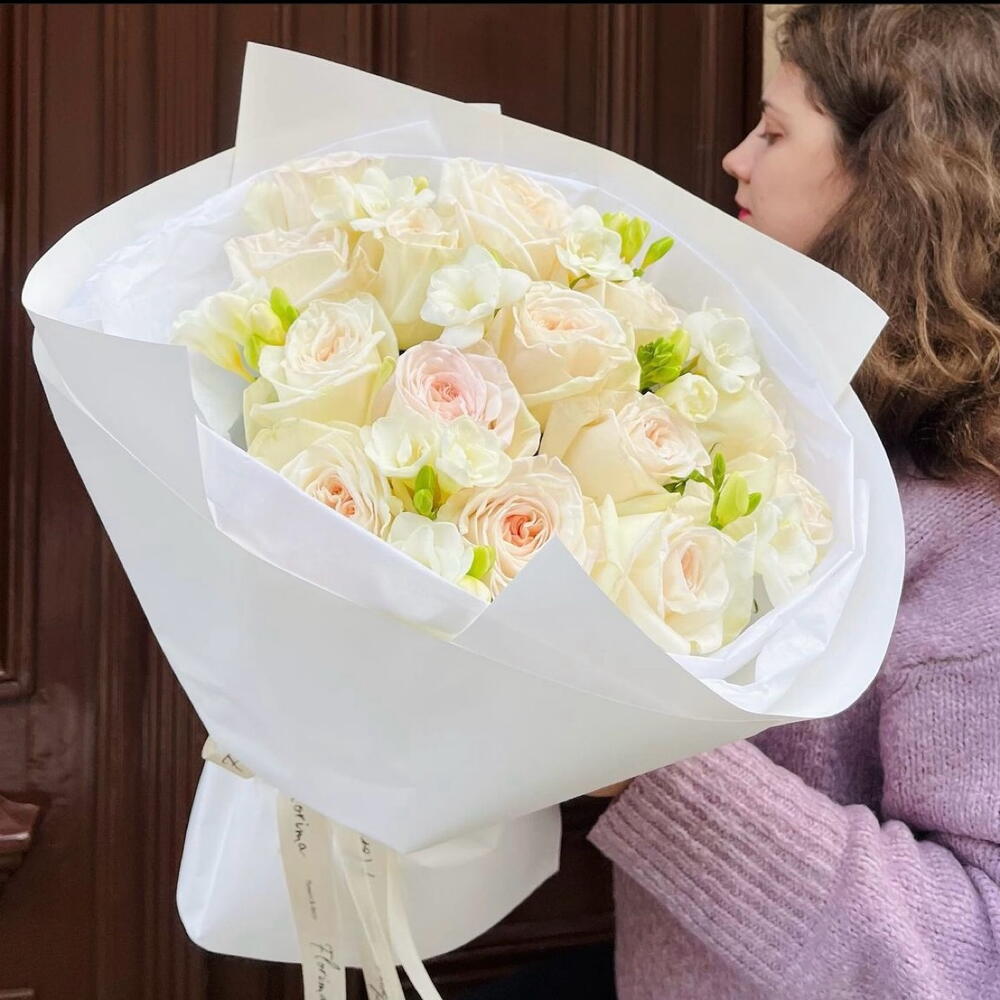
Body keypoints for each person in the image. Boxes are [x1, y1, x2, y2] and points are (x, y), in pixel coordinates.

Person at [587, 5, 1000, 999]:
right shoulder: (775, 418)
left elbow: (975, 949)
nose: (735, 159)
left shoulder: (976, 520)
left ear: (893, 178)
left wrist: (645, 760)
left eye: (774, 133)